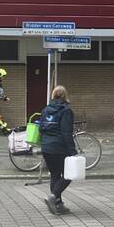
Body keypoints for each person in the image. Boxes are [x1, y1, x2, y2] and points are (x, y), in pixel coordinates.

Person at [39, 86, 77, 216]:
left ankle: (58, 205)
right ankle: (53, 197)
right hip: (59, 148)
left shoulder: (45, 110)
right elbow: (67, 133)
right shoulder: (66, 111)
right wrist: (73, 151)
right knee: (69, 174)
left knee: (55, 174)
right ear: (64, 96)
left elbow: (41, 129)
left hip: (46, 147)